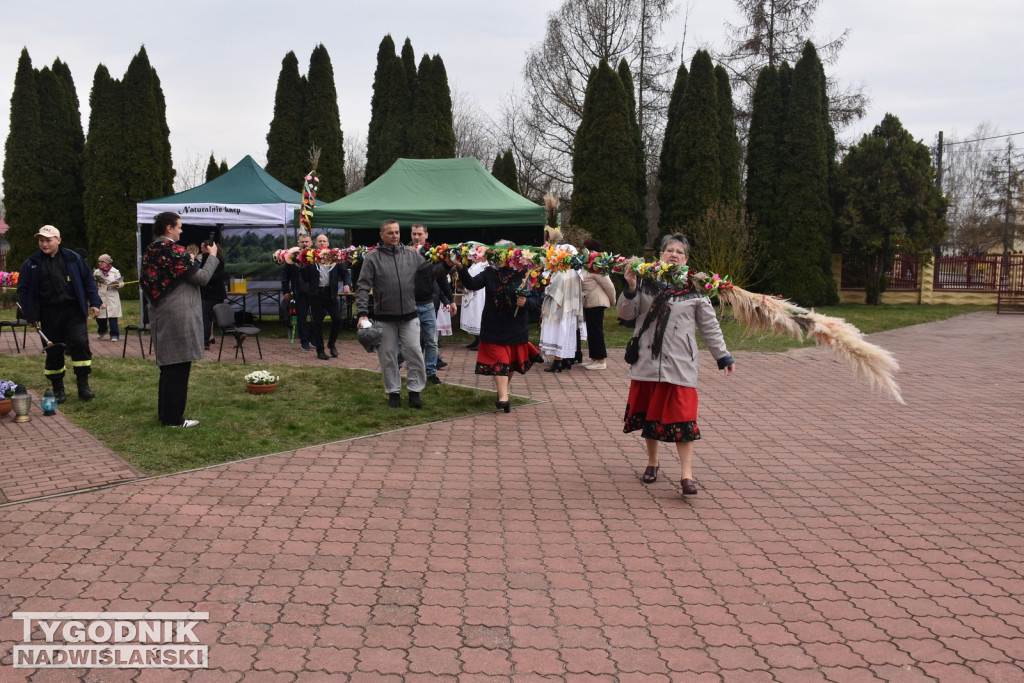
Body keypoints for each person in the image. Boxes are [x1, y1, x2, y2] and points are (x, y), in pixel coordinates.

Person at [616, 233, 736, 496]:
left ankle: (686, 475)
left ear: (686, 259)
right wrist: (631, 287)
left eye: (679, 252)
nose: (673, 254)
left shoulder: (696, 289)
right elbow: (626, 314)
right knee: (649, 415)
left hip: (681, 364)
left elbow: (709, 326)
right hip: (647, 361)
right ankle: (652, 462)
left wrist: (722, 356)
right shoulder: (646, 281)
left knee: (685, 418)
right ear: (659, 256)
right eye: (668, 250)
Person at [141, 211, 220, 428]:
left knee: (168, 367)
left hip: (161, 313)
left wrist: (199, 259)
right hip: (178, 315)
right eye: (179, 227)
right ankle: (174, 420)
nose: (181, 230)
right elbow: (201, 278)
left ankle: (166, 415)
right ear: (169, 228)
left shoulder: (151, 250)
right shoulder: (173, 250)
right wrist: (212, 256)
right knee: (178, 368)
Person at [452, 242, 543, 412]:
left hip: (516, 326)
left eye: (501, 255)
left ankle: (502, 391)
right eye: (495, 254)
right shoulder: (490, 273)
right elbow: (471, 284)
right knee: (500, 360)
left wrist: (525, 302)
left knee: (510, 364)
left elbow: (537, 300)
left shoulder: (526, 274)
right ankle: (503, 398)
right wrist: (460, 267)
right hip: (493, 324)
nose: (497, 258)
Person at [16, 225, 102, 403]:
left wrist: (94, 303)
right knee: (54, 351)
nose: (44, 244)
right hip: (48, 313)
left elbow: (88, 281)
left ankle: (83, 386)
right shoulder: (32, 263)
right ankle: (58, 390)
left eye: (48, 240)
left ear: (58, 240)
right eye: (41, 240)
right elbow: (23, 291)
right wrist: (29, 315)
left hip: (74, 311)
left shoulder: (73, 258)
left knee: (79, 344)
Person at [355, 219, 430, 409]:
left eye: (397, 232)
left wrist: (447, 264)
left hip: (410, 316)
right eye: (390, 233)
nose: (395, 236)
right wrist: (362, 314)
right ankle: (393, 392)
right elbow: (363, 286)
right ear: (381, 235)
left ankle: (415, 391)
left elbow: (430, 272)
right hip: (384, 318)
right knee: (387, 356)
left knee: (414, 353)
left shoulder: (412, 254)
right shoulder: (372, 257)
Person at [410, 223, 456, 384]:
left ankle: (431, 372)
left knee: (431, 341)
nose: (416, 237)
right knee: (409, 341)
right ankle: (409, 369)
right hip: (410, 303)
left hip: (428, 302)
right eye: (414, 234)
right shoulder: (406, 252)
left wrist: (450, 300)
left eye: (419, 234)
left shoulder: (434, 254)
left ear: (426, 235)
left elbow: (442, 277)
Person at [301, 233, 351, 361]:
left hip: (330, 293)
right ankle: (320, 350)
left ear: (328, 244)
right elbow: (305, 278)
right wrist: (302, 265)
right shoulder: (311, 258)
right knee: (317, 323)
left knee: (337, 319)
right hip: (316, 294)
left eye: (324, 241)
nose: (322, 243)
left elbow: (345, 273)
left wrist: (346, 284)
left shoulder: (334, 257)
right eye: (320, 241)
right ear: (316, 244)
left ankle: (331, 344)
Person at [539, 244, 584, 373]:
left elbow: (554, 289)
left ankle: (558, 360)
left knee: (559, 332)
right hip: (570, 307)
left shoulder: (563, 271)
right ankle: (566, 359)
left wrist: (546, 289)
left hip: (559, 308)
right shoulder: (576, 270)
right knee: (567, 333)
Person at [580, 238, 616, 370]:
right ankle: (594, 358)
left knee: (596, 331)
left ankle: (601, 361)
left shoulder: (597, 266)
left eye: (586, 249)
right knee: (592, 331)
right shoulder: (588, 264)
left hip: (597, 303)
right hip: (589, 302)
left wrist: (613, 301)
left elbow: (609, 286)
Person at [282, 232, 314, 350]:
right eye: (302, 242)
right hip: (299, 292)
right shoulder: (291, 256)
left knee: (319, 315)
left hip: (314, 291)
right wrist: (285, 291)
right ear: (298, 244)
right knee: (301, 317)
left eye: (307, 242)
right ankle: (304, 341)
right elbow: (285, 276)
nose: (305, 244)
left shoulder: (316, 255)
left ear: (311, 243)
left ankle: (313, 336)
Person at [199, 239, 227, 350]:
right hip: (218, 293)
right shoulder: (220, 259)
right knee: (221, 318)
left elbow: (204, 274)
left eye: (202, 248)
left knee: (206, 318)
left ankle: (205, 342)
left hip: (210, 294)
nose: (201, 250)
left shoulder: (209, 258)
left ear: (208, 248)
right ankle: (237, 334)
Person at [93, 254, 124, 343]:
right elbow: (93, 284)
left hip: (112, 297)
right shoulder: (96, 272)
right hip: (101, 297)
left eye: (102, 261)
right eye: (99, 261)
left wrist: (117, 284)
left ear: (107, 262)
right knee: (100, 317)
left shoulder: (115, 271)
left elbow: (121, 284)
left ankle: (114, 335)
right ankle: (102, 330)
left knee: (113, 317)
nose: (100, 263)